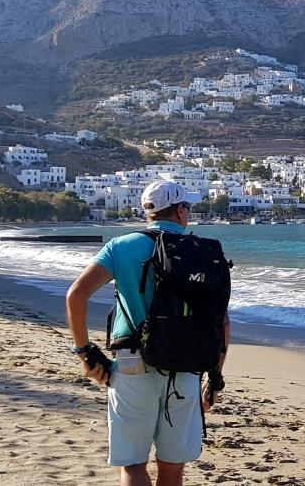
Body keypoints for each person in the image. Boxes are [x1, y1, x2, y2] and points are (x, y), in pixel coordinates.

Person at [66, 180, 231, 486]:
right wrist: (214, 377)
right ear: (180, 210)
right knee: (172, 467)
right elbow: (221, 323)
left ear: (148, 212)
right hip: (186, 368)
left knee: (132, 464)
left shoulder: (121, 246)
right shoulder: (203, 252)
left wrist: (85, 353)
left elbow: (76, 295)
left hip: (132, 364)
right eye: (188, 207)